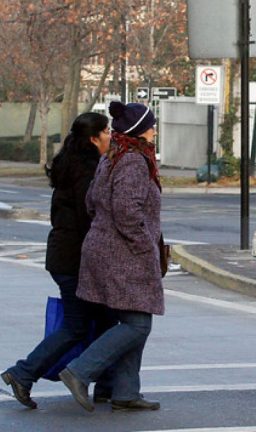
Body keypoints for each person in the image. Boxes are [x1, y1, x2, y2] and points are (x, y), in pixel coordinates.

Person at [1, 113, 116, 409]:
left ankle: (107, 385)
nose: (110, 136)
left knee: (105, 320)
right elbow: (89, 216)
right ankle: (23, 373)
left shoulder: (71, 163)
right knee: (77, 326)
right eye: (106, 131)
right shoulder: (86, 170)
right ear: (93, 138)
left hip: (65, 256)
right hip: (74, 259)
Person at [58, 101, 164, 412]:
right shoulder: (133, 161)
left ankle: (125, 392)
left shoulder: (113, 156)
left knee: (133, 320)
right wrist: (145, 246)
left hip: (107, 250)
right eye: (151, 126)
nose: (154, 130)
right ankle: (80, 371)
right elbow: (127, 212)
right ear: (139, 130)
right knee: (137, 324)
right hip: (125, 254)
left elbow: (92, 202)